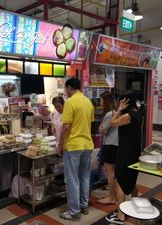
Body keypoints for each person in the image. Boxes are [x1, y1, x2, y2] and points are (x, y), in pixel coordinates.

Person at [57, 78, 94, 222]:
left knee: (72, 179)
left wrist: (60, 145)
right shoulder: (88, 102)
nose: (66, 92)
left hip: (73, 146)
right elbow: (89, 122)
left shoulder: (71, 102)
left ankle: (74, 212)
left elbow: (66, 127)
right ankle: (84, 206)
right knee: (84, 176)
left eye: (66, 89)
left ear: (69, 88)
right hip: (87, 145)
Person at [105, 91, 142, 225]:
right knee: (131, 180)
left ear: (125, 102)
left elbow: (112, 123)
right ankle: (135, 204)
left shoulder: (127, 116)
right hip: (135, 151)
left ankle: (121, 214)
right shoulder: (138, 114)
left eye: (121, 101)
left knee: (120, 180)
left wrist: (119, 109)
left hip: (125, 152)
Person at [98, 91, 118, 205]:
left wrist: (101, 129)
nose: (100, 102)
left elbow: (103, 130)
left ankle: (112, 197)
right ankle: (113, 195)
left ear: (106, 101)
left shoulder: (110, 114)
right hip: (114, 145)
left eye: (101, 100)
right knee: (112, 172)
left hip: (109, 144)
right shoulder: (115, 112)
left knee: (110, 173)